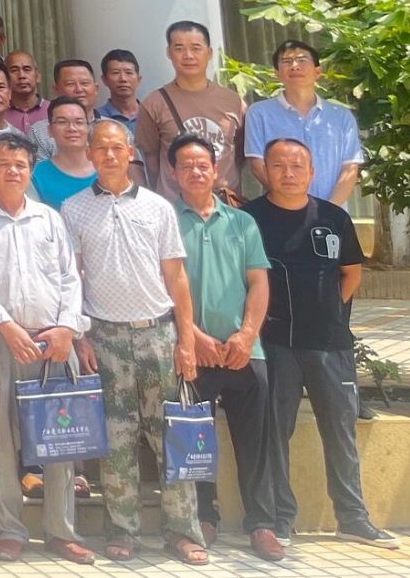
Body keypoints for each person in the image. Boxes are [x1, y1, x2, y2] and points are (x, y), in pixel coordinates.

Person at [63, 118, 207, 565]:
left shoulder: (158, 207)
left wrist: (186, 340)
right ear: (89, 154)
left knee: (170, 436)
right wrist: (80, 336)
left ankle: (183, 531)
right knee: (116, 439)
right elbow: (71, 278)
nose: (109, 155)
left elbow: (177, 278)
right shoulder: (73, 209)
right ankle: (122, 531)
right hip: (103, 337)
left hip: (158, 334)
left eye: (117, 147)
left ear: (130, 153)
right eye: (100, 148)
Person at [243, 138, 400, 550]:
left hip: (330, 345)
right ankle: (281, 519)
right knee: (275, 433)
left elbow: (351, 273)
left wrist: (329, 312)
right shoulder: (249, 219)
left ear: (312, 172)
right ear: (265, 171)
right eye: (279, 165)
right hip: (275, 344)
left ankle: (353, 519)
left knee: (340, 431)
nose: (289, 173)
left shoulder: (333, 217)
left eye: (298, 165)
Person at [0, 130, 94, 565]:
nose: (13, 171)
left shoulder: (50, 219)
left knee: (60, 440)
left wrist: (67, 329)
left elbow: (71, 277)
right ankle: (8, 530)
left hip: (54, 343)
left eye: (21, 165)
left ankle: (61, 531)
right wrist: (6, 326)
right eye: (4, 164)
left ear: (31, 171)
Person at [169, 135, 287, 561]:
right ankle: (204, 518)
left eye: (203, 164)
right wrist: (192, 336)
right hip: (192, 352)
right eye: (186, 165)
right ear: (173, 173)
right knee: (194, 439)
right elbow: (162, 286)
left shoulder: (242, 223)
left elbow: (258, 282)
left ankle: (262, 523)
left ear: (215, 170)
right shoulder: (165, 221)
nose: (196, 171)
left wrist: (247, 334)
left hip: (243, 352)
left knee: (257, 441)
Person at [245, 41, 365, 206]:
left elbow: (350, 169)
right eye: (286, 61)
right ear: (276, 73)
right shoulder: (259, 113)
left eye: (302, 60)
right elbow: (258, 164)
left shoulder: (341, 116)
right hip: (281, 211)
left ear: (317, 72)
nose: (294, 66)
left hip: (333, 213)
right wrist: (293, 204)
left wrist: (330, 210)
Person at [136, 21, 246, 199]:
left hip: (225, 205)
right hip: (176, 206)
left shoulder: (233, 101)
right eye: (179, 48)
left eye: (196, 48)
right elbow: (151, 159)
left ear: (209, 53)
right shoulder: (154, 104)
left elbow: (240, 153)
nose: (188, 55)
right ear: (169, 52)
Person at [31, 97, 97, 208]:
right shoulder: (36, 175)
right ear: (50, 130)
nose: (72, 128)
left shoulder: (106, 166)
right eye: (62, 122)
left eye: (79, 122)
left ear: (88, 128)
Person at [29, 60, 99, 158]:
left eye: (84, 83)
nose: (79, 89)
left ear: (96, 88)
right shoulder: (39, 132)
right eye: (70, 84)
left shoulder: (114, 127)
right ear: (56, 90)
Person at [2, 51, 47, 135]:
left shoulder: (53, 111)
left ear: (38, 76)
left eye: (27, 69)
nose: (22, 76)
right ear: (4, 77)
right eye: (14, 70)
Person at [98, 49, 144, 131]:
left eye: (129, 73)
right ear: (104, 80)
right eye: (115, 73)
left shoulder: (151, 115)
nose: (123, 79)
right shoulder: (97, 118)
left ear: (138, 79)